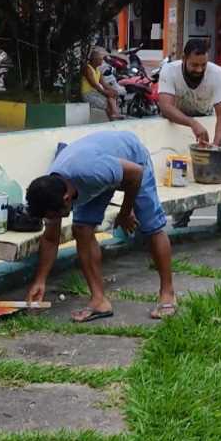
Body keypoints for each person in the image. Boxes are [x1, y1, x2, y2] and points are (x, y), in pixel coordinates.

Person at [25, 130, 178, 321]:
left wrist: (125, 211)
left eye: (56, 215)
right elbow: (50, 238)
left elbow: (135, 174)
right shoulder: (50, 192)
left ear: (66, 199)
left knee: (151, 226)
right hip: (102, 171)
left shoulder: (91, 171)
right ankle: (99, 301)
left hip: (133, 161)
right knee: (81, 229)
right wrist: (40, 281)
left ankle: (168, 293)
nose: (55, 219)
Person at [156, 38, 221, 146]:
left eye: (203, 65)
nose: (199, 69)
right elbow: (165, 107)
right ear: (184, 58)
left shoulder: (218, 74)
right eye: (194, 65)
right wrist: (192, 123)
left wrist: (216, 145)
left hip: (206, 121)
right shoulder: (169, 70)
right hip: (174, 126)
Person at [81, 47, 123, 121]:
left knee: (111, 97)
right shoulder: (88, 69)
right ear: (94, 60)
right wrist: (105, 92)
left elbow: (104, 84)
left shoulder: (98, 70)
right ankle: (112, 119)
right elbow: (94, 84)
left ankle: (114, 116)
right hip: (88, 94)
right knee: (107, 103)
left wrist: (113, 90)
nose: (102, 61)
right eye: (100, 59)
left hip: (95, 93)